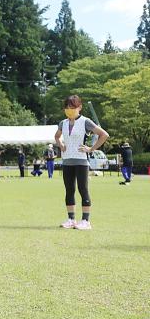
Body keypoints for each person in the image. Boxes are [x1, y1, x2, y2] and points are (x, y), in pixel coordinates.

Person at [55, 95, 109, 230]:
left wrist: (91, 149)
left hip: (81, 161)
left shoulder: (85, 121)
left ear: (79, 107)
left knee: (82, 189)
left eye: (72, 107)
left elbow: (104, 135)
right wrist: (61, 145)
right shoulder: (63, 123)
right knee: (69, 190)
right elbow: (57, 136)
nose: (69, 109)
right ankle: (71, 219)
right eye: (67, 107)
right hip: (67, 161)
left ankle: (85, 221)